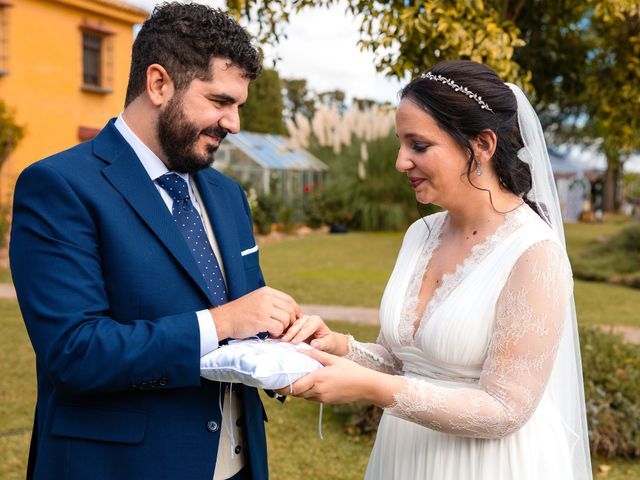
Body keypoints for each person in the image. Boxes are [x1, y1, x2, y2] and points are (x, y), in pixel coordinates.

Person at [9, 3, 300, 479]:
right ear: (159, 83)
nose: (234, 124)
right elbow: (76, 352)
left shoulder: (227, 195)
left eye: (238, 106)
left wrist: (287, 345)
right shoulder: (59, 186)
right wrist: (221, 322)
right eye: (220, 101)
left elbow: (245, 316)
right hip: (120, 465)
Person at [281, 60, 592, 479]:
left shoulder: (534, 252)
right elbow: (401, 360)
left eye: (418, 146)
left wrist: (368, 388)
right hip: (405, 457)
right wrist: (338, 346)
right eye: (400, 144)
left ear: (481, 144)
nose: (400, 162)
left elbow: (505, 410)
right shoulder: (420, 234)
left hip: (488, 466)